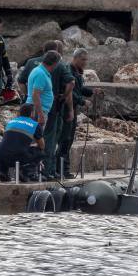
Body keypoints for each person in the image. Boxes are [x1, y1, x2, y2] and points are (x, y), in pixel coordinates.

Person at [21, 46, 74, 180]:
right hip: (38, 110)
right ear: (55, 63)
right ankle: (33, 171)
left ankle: (35, 171)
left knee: (36, 141)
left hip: (39, 109)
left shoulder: (40, 71)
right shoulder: (40, 73)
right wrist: (40, 114)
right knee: (36, 142)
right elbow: (35, 94)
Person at [57, 48, 98, 179]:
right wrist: (82, 101)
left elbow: (79, 89)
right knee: (65, 139)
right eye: (83, 59)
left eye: (86, 59)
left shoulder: (77, 72)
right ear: (75, 58)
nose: (85, 62)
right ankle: (61, 169)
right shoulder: (69, 71)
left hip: (73, 108)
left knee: (69, 140)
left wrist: (92, 92)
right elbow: (69, 92)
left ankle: (63, 169)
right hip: (66, 109)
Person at [0, 103, 45, 182]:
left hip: (1, 156)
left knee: (7, 149)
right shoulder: (35, 125)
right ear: (32, 113)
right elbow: (42, 146)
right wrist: (33, 145)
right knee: (40, 152)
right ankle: (26, 172)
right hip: (18, 158)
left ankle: (2, 171)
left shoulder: (11, 122)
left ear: (19, 112)